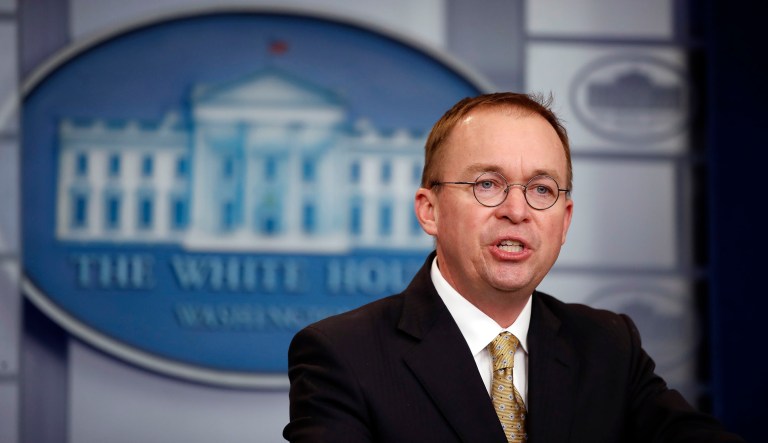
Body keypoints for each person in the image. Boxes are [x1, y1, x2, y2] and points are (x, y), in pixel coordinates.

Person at [282, 92, 743, 442]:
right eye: (488, 183)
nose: (517, 211)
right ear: (429, 210)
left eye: (542, 190)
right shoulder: (342, 355)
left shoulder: (608, 346)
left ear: (564, 222)